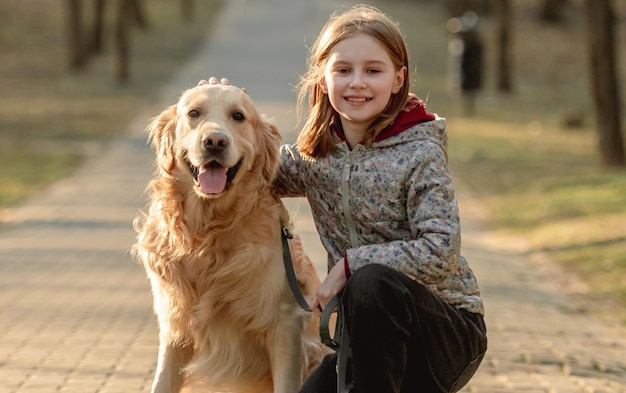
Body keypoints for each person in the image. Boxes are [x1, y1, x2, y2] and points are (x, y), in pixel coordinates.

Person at [202, 4, 487, 393]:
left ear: (398, 78)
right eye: (343, 70)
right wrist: (223, 111)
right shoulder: (316, 156)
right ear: (322, 77)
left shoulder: (420, 152)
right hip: (366, 345)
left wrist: (351, 265)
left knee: (370, 282)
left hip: (446, 336)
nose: (357, 83)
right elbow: (251, 168)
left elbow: (441, 249)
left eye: (373, 70)